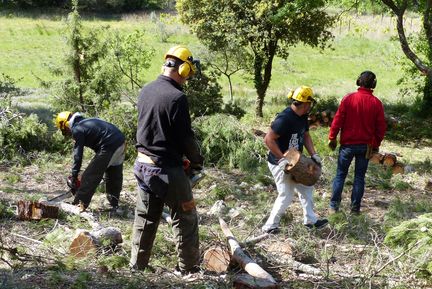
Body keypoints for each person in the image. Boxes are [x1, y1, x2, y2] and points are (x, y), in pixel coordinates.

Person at [130, 45, 204, 274]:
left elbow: (156, 130)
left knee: (146, 218)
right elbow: (184, 136)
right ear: (182, 69)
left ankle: (137, 266)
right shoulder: (177, 97)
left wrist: (176, 157)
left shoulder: (147, 89)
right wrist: (196, 160)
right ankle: (189, 269)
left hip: (143, 164)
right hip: (164, 170)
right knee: (186, 215)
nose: (188, 79)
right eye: (188, 74)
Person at [261, 86, 328, 234]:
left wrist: (314, 154)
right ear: (305, 103)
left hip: (297, 160)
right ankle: (270, 226)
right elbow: (268, 139)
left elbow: (305, 135)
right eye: (309, 103)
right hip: (280, 162)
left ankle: (310, 221)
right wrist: (282, 159)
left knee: (307, 188)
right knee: (286, 194)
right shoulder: (284, 119)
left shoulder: (302, 116)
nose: (310, 106)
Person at [328, 71, 387, 214]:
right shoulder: (376, 103)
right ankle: (355, 209)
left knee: (340, 175)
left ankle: (333, 207)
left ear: (358, 81)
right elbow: (381, 128)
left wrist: (332, 137)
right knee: (359, 177)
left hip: (347, 145)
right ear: (373, 84)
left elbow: (337, 120)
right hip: (365, 147)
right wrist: (376, 144)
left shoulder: (348, 99)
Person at [55, 111, 126, 212]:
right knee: (114, 174)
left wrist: (75, 175)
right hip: (121, 142)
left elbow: (78, 155)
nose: (67, 133)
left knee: (89, 176)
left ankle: (78, 206)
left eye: (65, 130)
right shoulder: (86, 122)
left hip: (109, 146)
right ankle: (114, 203)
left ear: (65, 124)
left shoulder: (77, 129)